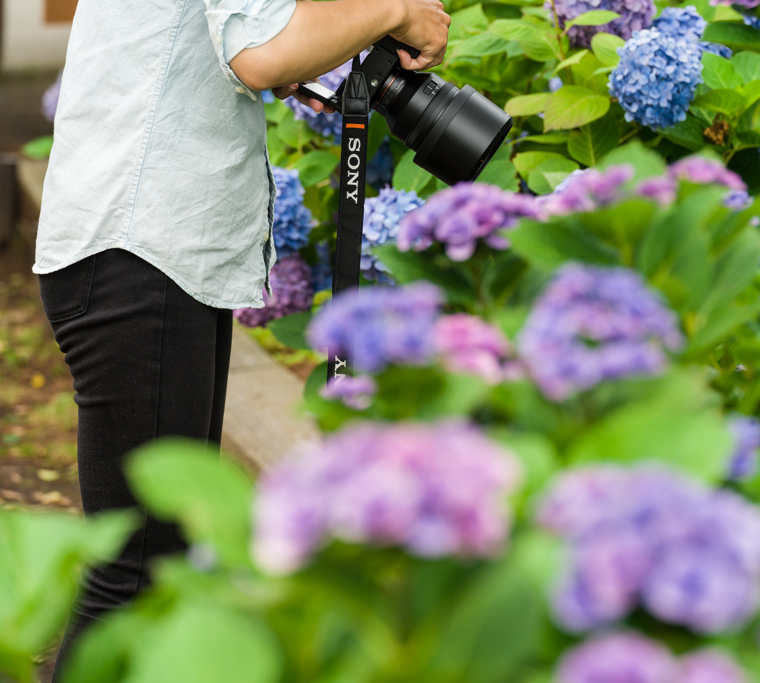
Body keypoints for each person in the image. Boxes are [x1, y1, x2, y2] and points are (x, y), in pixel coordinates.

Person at [33, 0, 449, 678]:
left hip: (146, 254)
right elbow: (259, 52)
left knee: (153, 571)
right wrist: (395, 10)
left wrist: (309, 46)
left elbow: (247, 43)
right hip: (142, 252)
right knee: (135, 578)